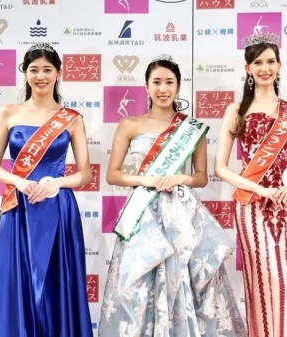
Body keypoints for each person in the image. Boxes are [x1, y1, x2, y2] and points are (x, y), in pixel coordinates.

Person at [98, 54, 247, 336]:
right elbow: (113, 174)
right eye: (157, 82)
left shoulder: (191, 128)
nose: (163, 88)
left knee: (185, 283)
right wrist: (145, 179)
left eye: (169, 82)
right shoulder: (130, 124)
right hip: (143, 214)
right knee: (141, 284)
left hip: (181, 213)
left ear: (178, 87)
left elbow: (201, 177)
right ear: (146, 86)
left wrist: (182, 178)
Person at [0, 43, 93, 336]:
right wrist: (18, 181)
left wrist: (57, 182)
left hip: (58, 207)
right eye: (33, 70)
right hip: (18, 206)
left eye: (47, 70)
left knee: (57, 283)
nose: (40, 76)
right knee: (17, 280)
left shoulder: (72, 118)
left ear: (58, 73)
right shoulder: (9, 112)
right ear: (25, 74)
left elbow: (84, 173)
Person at [214, 31, 287, 337]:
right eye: (258, 62)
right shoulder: (236, 110)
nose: (265, 68)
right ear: (248, 68)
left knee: (285, 283)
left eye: (270, 61)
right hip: (252, 205)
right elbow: (220, 167)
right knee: (262, 282)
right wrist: (259, 189)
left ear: (280, 65)